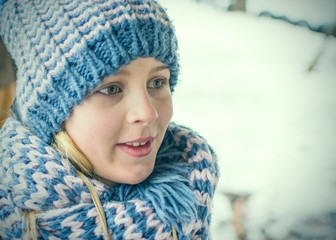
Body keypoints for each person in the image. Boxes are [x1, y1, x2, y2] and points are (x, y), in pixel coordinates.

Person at [0, 0, 219, 239]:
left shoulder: (191, 194)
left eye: (157, 82)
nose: (147, 113)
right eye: (111, 89)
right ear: (51, 111)